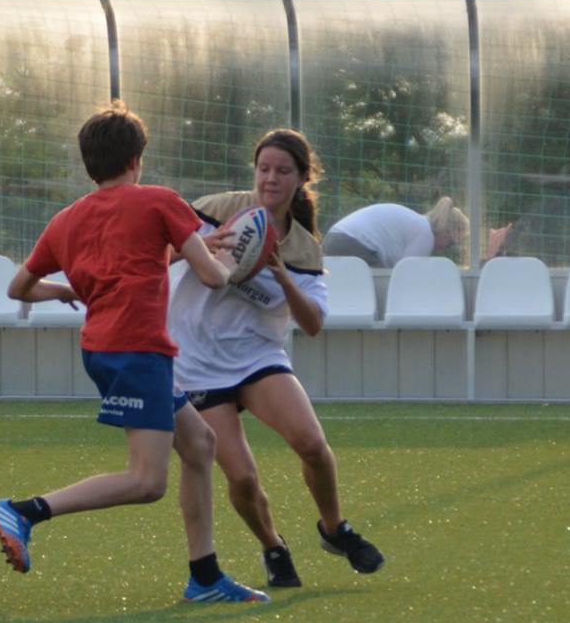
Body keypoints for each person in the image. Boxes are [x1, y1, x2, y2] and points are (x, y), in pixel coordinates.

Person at [0, 102, 269, 604]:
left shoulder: (66, 220)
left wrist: (64, 290)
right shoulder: (160, 200)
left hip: (105, 349)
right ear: (137, 158)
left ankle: (205, 578)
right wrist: (230, 262)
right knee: (147, 481)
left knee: (200, 444)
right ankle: (24, 511)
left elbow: (19, 288)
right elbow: (212, 277)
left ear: (89, 163)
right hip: (137, 351)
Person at [169, 130, 386, 589]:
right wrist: (199, 247)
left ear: (302, 178)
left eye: (283, 171)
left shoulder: (305, 248)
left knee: (312, 444)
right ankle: (273, 546)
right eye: (263, 168)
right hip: (197, 362)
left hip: (256, 356)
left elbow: (312, 323)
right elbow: (155, 251)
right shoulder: (215, 209)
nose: (270, 178)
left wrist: (283, 277)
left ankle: (334, 529)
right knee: (243, 478)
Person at [321, 196, 515, 267]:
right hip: (354, 243)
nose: (446, 247)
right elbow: (406, 274)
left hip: (335, 237)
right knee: (379, 289)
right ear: (446, 233)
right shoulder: (425, 236)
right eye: (451, 243)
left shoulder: (416, 224)